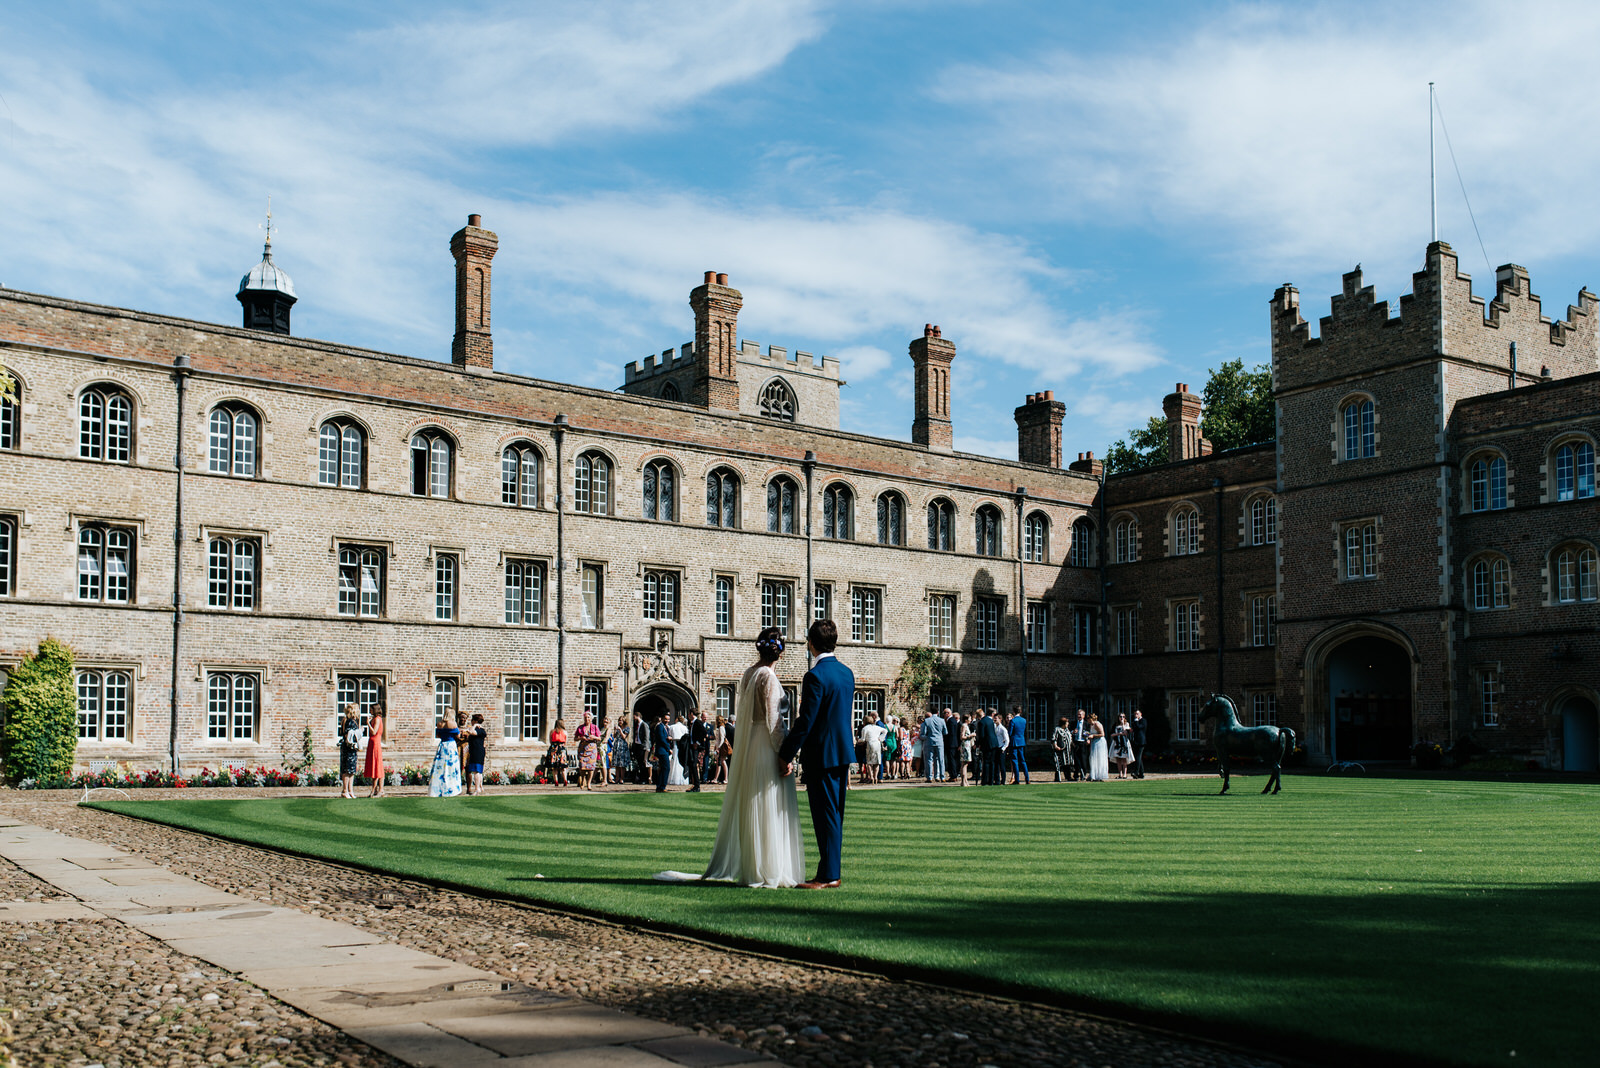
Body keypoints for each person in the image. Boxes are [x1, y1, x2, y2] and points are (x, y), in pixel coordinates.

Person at [672, 627, 804, 887]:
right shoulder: (767, 676)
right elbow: (773, 720)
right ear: (781, 652)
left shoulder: (748, 673)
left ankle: (754, 865)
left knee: (754, 801)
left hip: (750, 745)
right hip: (766, 745)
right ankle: (768, 867)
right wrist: (785, 753)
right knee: (768, 801)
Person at [776, 619, 855, 890]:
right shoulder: (847, 673)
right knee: (833, 814)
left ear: (810, 643)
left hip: (822, 754)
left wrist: (785, 753)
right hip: (841, 754)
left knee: (826, 816)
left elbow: (805, 721)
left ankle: (829, 875)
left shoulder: (815, 676)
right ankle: (828, 871)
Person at [429, 717, 463, 797]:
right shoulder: (453, 723)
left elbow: (438, 735)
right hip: (451, 746)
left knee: (440, 768)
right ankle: (452, 789)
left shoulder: (440, 724)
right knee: (452, 768)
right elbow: (458, 736)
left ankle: (437, 790)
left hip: (443, 745)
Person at [574, 711, 602, 790]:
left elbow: (599, 738)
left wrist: (594, 737)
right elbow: (575, 738)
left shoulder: (595, 727)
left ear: (591, 718)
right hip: (583, 748)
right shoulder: (580, 727)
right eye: (585, 717)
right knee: (582, 766)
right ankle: (583, 780)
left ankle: (589, 783)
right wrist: (580, 738)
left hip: (592, 748)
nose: (587, 719)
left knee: (591, 767)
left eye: (588, 717)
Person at [337, 704, 361, 799]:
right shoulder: (349, 721)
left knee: (351, 770)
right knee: (347, 770)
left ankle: (350, 790)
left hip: (350, 748)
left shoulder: (350, 721)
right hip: (349, 748)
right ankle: (345, 790)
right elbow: (348, 735)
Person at [363, 705, 386, 797]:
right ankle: (375, 789)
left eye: (371, 710)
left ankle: (380, 790)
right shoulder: (375, 719)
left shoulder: (377, 719)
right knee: (374, 766)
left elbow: (374, 732)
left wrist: (368, 724)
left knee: (377, 766)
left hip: (376, 744)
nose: (370, 711)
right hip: (372, 744)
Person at [462, 714, 488, 795]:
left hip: (477, 752)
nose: (471, 722)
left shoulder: (479, 730)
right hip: (477, 751)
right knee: (479, 771)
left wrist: (475, 725)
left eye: (472, 720)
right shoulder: (481, 730)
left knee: (476, 771)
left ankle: (477, 789)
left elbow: (470, 731)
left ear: (475, 721)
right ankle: (480, 787)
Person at [858, 711, 886, 784]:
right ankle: (876, 777)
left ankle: (872, 777)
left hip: (870, 744)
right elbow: (885, 731)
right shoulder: (877, 727)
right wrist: (881, 738)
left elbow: (863, 739)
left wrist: (858, 740)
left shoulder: (865, 728)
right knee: (877, 762)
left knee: (869, 762)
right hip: (877, 743)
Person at [977, 708, 1002, 785]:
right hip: (994, 744)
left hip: (987, 744)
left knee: (986, 763)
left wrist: (978, 744)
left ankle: (985, 781)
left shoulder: (982, 721)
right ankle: (991, 780)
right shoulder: (991, 721)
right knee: (992, 763)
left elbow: (981, 735)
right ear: (991, 714)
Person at [688, 710, 711, 792]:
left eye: (689, 714)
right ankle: (695, 785)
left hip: (696, 747)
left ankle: (697, 785)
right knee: (692, 764)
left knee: (694, 764)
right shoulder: (692, 723)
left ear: (691, 714)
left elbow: (704, 732)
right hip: (692, 746)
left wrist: (697, 743)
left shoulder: (697, 722)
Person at [921, 711, 947, 783]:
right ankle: (941, 776)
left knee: (929, 759)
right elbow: (945, 732)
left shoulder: (927, 721)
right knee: (940, 759)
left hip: (929, 741)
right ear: (938, 712)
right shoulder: (942, 720)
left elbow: (923, 733)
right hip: (939, 742)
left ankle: (929, 777)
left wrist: (927, 737)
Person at [652, 714, 674, 792]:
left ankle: (660, 786)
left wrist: (668, 738)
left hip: (664, 750)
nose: (667, 721)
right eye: (665, 719)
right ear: (662, 719)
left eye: (668, 719)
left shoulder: (664, 727)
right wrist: (669, 749)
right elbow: (662, 739)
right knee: (666, 768)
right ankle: (662, 786)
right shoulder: (660, 727)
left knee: (663, 769)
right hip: (662, 750)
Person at [1008, 707, 1029, 785]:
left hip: (1014, 742)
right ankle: (1027, 779)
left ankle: (1017, 779)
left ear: (1013, 712)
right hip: (1021, 741)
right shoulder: (1024, 720)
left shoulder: (1013, 721)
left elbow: (1010, 733)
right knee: (1023, 761)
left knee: (1015, 761)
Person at [667, 714, 690, 786]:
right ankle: (682, 779)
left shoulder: (672, 727)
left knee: (675, 761)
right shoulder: (684, 728)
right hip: (682, 745)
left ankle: (673, 779)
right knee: (681, 761)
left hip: (675, 745)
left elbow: (670, 735)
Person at [1111, 711, 1135, 779]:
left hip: (1124, 743)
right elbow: (1112, 734)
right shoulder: (1115, 725)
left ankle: (1125, 774)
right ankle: (1120, 774)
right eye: (1120, 717)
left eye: (1123, 717)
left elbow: (1126, 732)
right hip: (1117, 743)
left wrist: (1123, 725)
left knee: (1124, 759)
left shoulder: (1126, 724)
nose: (1122, 718)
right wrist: (1118, 734)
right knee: (1118, 759)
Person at [1088, 712, 1110, 781]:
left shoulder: (1097, 724)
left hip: (1100, 742)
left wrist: (1093, 736)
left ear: (1091, 719)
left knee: (1099, 757)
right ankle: (1093, 774)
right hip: (1094, 742)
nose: (1087, 720)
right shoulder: (1091, 725)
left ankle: (1100, 774)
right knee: (1093, 757)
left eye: (1088, 719)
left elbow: (1102, 734)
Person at [547, 719, 569, 786]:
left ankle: (556, 781)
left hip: (554, 749)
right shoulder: (565, 732)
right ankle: (565, 780)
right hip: (561, 749)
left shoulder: (552, 731)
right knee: (563, 767)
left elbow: (550, 741)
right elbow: (565, 742)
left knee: (554, 767)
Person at [710, 714, 731, 784]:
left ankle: (725, 778)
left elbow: (722, 739)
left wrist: (718, 748)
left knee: (722, 762)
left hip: (721, 748)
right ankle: (716, 778)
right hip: (718, 748)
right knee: (719, 763)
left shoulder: (721, 728)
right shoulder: (720, 728)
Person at [1051, 715, 1072, 782]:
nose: (1068, 724)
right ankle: (1058, 777)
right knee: (1059, 764)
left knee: (1067, 763)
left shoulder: (1067, 730)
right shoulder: (1057, 729)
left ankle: (1068, 777)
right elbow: (1054, 738)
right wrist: (1056, 746)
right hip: (1060, 750)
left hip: (1068, 750)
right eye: (1067, 723)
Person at [1071, 708, 1090, 782]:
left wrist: (1088, 739)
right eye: (1078, 714)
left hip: (1083, 742)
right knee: (1076, 760)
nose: (1079, 716)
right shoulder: (1074, 723)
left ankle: (1083, 775)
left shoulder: (1086, 724)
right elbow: (1070, 731)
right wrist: (1073, 731)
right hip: (1076, 742)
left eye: (1080, 714)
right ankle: (1076, 775)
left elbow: (1089, 732)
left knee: (1083, 759)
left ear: (1084, 716)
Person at [632, 713, 652, 785]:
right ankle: (641, 778)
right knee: (640, 763)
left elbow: (647, 736)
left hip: (643, 746)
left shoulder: (644, 725)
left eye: (634, 717)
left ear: (638, 716)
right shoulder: (637, 725)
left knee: (644, 763)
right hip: (638, 746)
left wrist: (646, 747)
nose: (634, 719)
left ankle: (645, 779)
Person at [955, 713, 974, 786]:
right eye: (969, 718)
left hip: (967, 745)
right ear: (966, 719)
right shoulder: (964, 726)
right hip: (965, 746)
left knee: (966, 764)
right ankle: (963, 781)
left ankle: (965, 781)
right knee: (964, 764)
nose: (971, 720)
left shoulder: (966, 726)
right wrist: (971, 735)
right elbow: (962, 737)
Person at [943, 708, 961, 782]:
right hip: (954, 743)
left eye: (944, 713)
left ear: (948, 713)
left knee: (951, 760)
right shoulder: (953, 720)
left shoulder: (950, 721)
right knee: (953, 759)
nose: (943, 715)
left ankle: (953, 775)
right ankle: (954, 774)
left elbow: (949, 733)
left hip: (951, 743)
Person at [1132, 708, 1148, 779]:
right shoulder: (1135, 721)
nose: (1136, 715)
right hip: (1136, 741)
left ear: (1140, 714)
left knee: (1138, 757)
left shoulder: (1143, 721)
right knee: (1138, 757)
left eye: (1137, 714)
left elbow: (1139, 727)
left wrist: (1136, 721)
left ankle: (1136, 772)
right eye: (1135, 714)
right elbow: (1134, 729)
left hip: (1141, 741)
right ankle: (1141, 774)